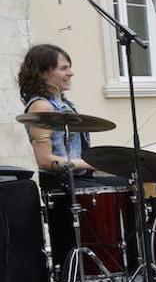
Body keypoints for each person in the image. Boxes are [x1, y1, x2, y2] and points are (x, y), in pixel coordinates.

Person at [18, 44, 111, 189]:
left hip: (79, 179)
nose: (71, 73)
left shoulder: (65, 104)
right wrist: (92, 164)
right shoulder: (42, 106)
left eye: (69, 67)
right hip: (62, 185)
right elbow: (44, 160)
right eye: (63, 68)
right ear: (43, 73)